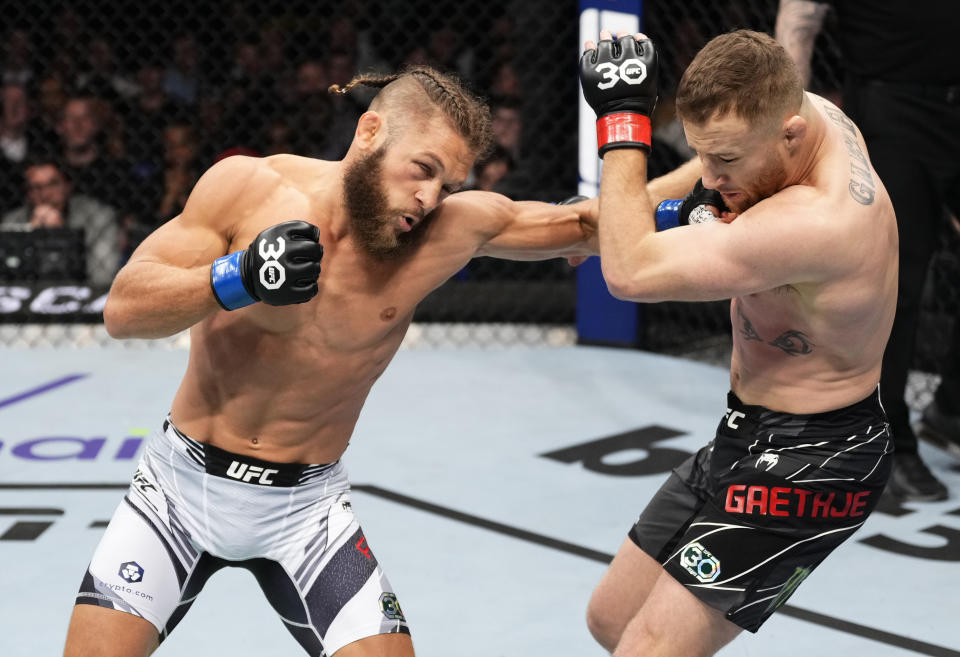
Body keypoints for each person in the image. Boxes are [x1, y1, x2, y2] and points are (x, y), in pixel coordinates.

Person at [62, 64, 597, 657]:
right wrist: (237, 277)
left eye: (447, 184)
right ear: (369, 132)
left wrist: (699, 193)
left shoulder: (449, 231)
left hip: (305, 509)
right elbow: (124, 309)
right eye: (423, 169)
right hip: (178, 489)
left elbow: (586, 225)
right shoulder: (250, 186)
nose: (429, 197)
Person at [578, 30, 895, 655]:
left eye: (728, 161)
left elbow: (629, 273)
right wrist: (633, 205)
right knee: (612, 620)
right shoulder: (804, 113)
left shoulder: (815, 221)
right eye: (705, 155)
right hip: (745, 430)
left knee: (649, 648)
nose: (713, 176)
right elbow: (708, 164)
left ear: (789, 135)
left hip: (820, 458)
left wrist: (622, 127)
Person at [775, 0, 960, 501]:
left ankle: (952, 408)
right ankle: (884, 441)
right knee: (894, 279)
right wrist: (790, 124)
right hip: (892, 111)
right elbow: (800, 18)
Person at [1, 156, 119, 286]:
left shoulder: (98, 216)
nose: (45, 194)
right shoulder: (12, 221)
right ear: (28, 194)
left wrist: (61, 234)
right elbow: (6, 281)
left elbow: (103, 276)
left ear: (68, 186)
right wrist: (31, 237)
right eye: (36, 187)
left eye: (53, 184)